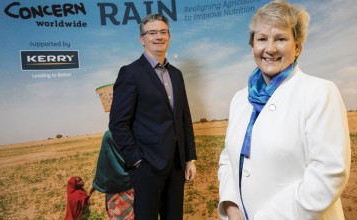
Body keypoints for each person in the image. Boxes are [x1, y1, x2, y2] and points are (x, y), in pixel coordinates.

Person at [218, 1, 351, 220]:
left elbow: (329, 175)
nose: (270, 48)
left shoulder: (320, 92)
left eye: (280, 38)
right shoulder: (240, 99)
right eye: (262, 39)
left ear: (297, 46)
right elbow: (228, 159)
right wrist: (232, 208)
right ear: (253, 46)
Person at [109, 13, 197, 220]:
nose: (159, 37)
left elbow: (184, 118)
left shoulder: (177, 74)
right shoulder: (130, 73)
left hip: (176, 165)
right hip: (147, 167)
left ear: (169, 36)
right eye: (152, 32)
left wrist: (189, 158)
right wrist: (137, 161)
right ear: (142, 39)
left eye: (163, 32)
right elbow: (118, 124)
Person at [92, 130, 134, 219]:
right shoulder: (138, 131)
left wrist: (96, 184)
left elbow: (104, 163)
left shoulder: (109, 135)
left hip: (115, 190)